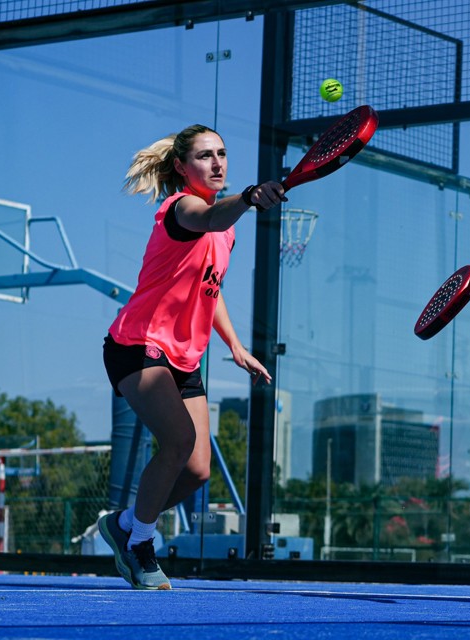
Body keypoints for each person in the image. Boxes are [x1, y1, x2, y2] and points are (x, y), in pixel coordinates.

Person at [98, 124, 284, 589]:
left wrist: (235, 345)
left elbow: (209, 288)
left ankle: (124, 525)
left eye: (222, 153)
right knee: (178, 441)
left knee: (197, 469)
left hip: (181, 358)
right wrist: (247, 198)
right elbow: (211, 218)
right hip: (136, 346)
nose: (217, 162)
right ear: (182, 167)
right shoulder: (181, 209)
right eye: (205, 156)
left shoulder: (225, 231)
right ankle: (140, 543)